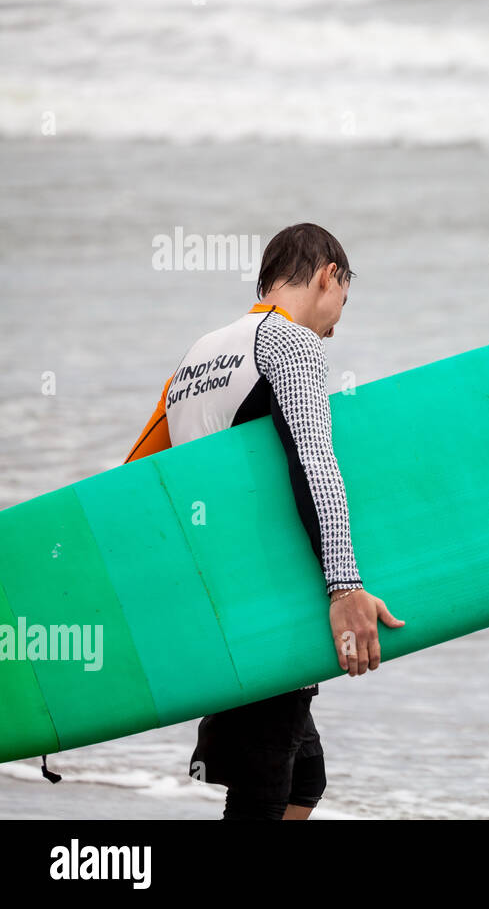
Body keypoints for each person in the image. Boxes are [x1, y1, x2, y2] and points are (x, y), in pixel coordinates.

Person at [125, 222, 404, 820]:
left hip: (216, 590)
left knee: (303, 777)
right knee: (263, 787)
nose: (335, 328)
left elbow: (144, 474)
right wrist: (345, 587)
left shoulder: (200, 353)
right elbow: (313, 461)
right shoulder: (289, 343)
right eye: (342, 305)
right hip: (265, 597)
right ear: (330, 275)